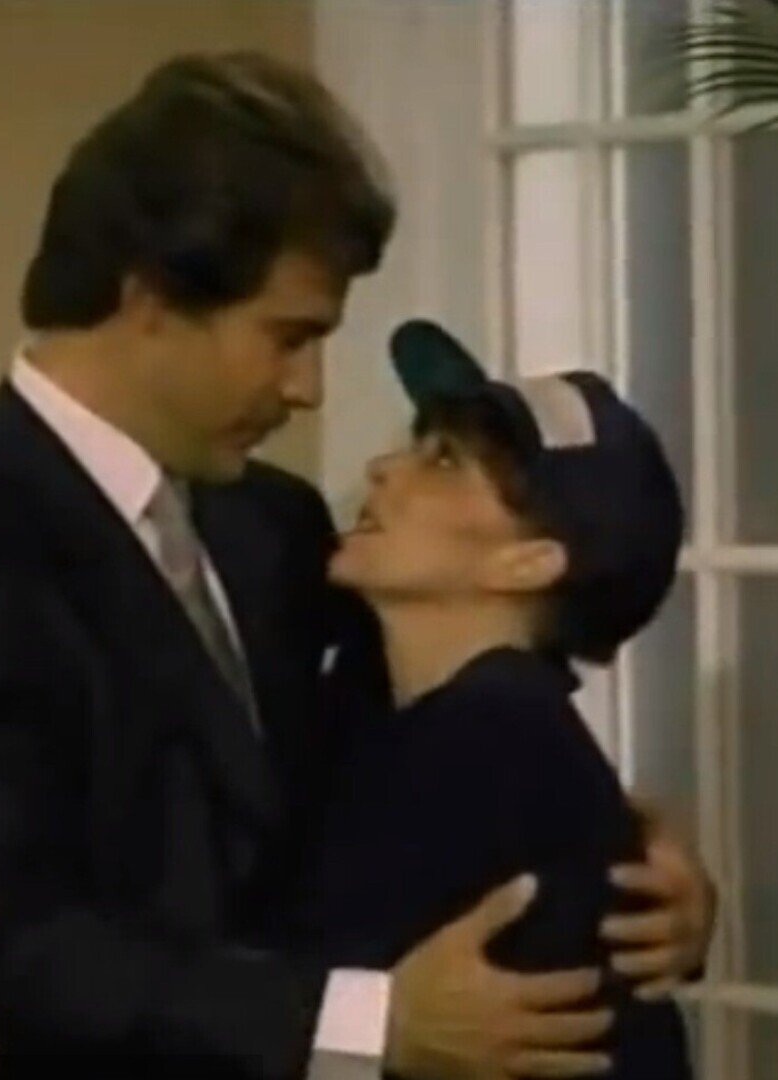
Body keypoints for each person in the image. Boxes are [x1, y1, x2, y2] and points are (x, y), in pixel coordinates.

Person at [0, 50, 716, 1080]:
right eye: (286, 337)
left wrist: (626, 875)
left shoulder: (274, 527)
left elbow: (444, 732)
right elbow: (11, 950)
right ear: (151, 298)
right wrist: (368, 1025)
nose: (309, 388)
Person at [295, 320, 692, 1079]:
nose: (383, 469)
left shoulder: (491, 742)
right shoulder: (395, 705)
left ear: (528, 563)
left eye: (444, 461)